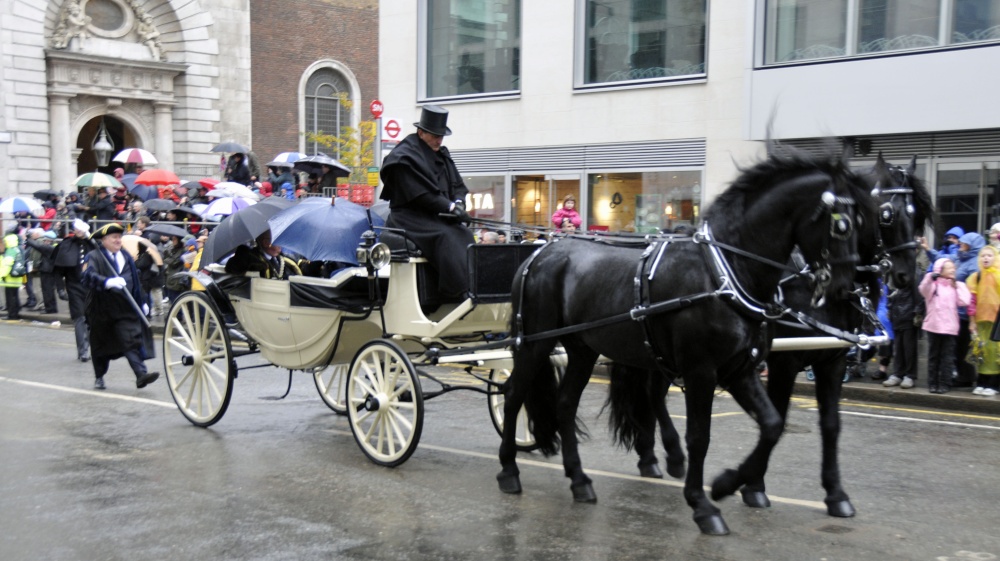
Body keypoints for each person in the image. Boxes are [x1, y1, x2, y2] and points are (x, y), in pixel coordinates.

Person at [379, 105, 475, 299]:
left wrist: (459, 202)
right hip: (409, 217)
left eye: (441, 136)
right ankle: (456, 292)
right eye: (434, 135)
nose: (439, 140)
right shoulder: (404, 157)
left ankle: (473, 285)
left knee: (464, 234)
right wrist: (450, 207)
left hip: (436, 216)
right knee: (446, 236)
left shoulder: (442, 154)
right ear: (421, 132)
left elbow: (457, 185)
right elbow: (422, 195)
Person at [81, 223, 159, 391]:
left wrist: (143, 301)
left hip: (125, 308)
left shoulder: (125, 255)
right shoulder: (94, 256)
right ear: (104, 240)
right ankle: (99, 376)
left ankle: (141, 375)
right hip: (102, 310)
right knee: (101, 346)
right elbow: (87, 277)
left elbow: (136, 281)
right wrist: (106, 282)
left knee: (131, 340)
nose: (118, 240)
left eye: (119, 237)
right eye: (114, 237)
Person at [919, 258, 972, 394]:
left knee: (947, 357)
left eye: (953, 267)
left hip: (950, 328)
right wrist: (930, 277)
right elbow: (923, 290)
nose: (953, 269)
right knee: (933, 356)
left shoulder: (957, 285)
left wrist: (957, 286)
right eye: (949, 267)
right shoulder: (933, 284)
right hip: (933, 326)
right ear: (940, 270)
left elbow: (965, 301)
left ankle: (944, 383)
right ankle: (932, 383)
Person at [53, 219, 92, 361]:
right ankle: (83, 351)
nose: (79, 232)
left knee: (90, 319)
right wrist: (60, 289)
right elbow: (58, 270)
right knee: (79, 318)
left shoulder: (92, 244)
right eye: (77, 229)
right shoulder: (67, 245)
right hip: (74, 286)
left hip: (90, 287)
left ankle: (87, 346)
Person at [952, 231, 985, 388]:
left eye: (965, 244)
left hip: (967, 312)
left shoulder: (974, 263)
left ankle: (967, 376)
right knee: (960, 346)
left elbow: (974, 289)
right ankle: (963, 375)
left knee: (965, 346)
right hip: (959, 310)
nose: (961, 245)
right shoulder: (962, 258)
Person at [966, 245, 1000, 396]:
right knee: (981, 351)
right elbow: (972, 302)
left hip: (996, 322)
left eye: (989, 255)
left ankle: (994, 384)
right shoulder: (976, 277)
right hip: (980, 321)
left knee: (995, 353)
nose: (986, 258)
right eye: (983, 256)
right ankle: (982, 381)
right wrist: (972, 321)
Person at [224, 230, 301, 279]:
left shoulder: (284, 259)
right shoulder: (251, 258)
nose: (281, 245)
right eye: (277, 241)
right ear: (266, 243)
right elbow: (233, 268)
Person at [1, 230, 26, 320]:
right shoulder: (18, 249)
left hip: (10, 278)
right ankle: (16, 313)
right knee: (15, 296)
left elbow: (7, 264)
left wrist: (1, 275)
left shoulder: (10, 250)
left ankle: (12, 315)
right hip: (17, 277)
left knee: (10, 297)